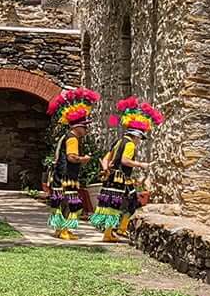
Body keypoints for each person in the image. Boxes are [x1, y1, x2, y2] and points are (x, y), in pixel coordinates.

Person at [93, 97, 163, 242]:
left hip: (111, 178)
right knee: (131, 204)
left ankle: (111, 232)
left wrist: (106, 169)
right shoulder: (130, 144)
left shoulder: (118, 141)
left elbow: (105, 159)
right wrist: (141, 165)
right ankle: (119, 230)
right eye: (140, 139)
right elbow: (125, 160)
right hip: (121, 179)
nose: (139, 142)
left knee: (112, 206)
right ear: (136, 136)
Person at [44, 87, 100, 240]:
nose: (86, 129)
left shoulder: (65, 136)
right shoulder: (73, 139)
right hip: (67, 177)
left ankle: (59, 229)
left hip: (60, 176)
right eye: (85, 126)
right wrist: (84, 159)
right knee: (73, 205)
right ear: (78, 127)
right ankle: (64, 230)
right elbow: (71, 157)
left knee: (61, 203)